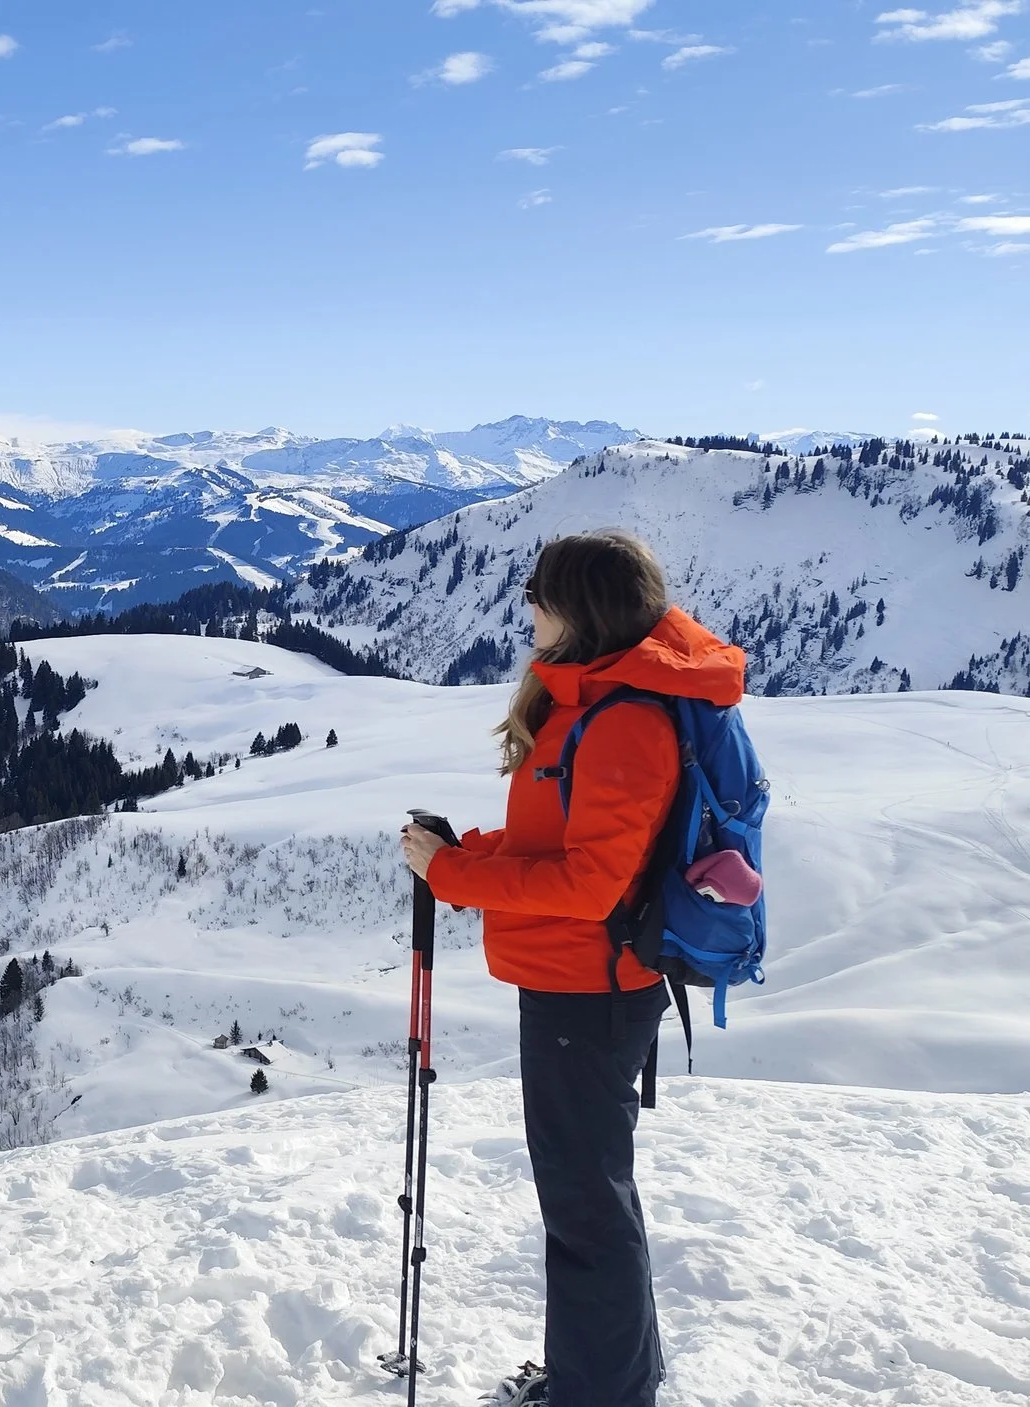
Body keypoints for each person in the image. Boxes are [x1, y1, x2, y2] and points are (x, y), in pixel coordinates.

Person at [398, 529, 745, 1407]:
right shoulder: (594, 704)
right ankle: (608, 1373)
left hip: (589, 992)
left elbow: (592, 884)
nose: (528, 607)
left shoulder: (625, 719)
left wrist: (454, 876)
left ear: (578, 611)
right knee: (591, 1199)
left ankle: (603, 1393)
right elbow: (560, 842)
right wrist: (460, 853)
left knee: (586, 1209)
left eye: (539, 593)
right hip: (577, 983)